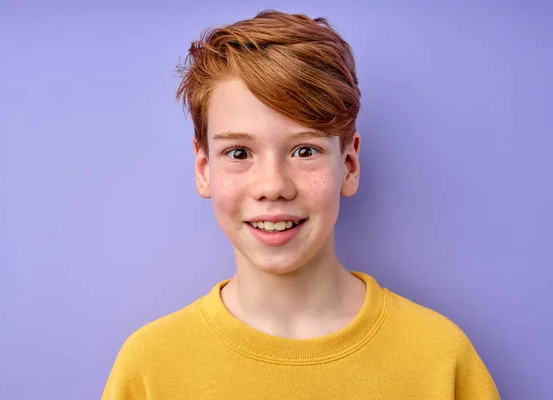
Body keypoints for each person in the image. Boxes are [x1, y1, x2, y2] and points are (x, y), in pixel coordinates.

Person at [102, 10, 500, 399]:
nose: (273, 186)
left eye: (305, 150)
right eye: (239, 153)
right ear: (204, 168)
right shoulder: (149, 370)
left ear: (349, 163)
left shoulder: (441, 359)